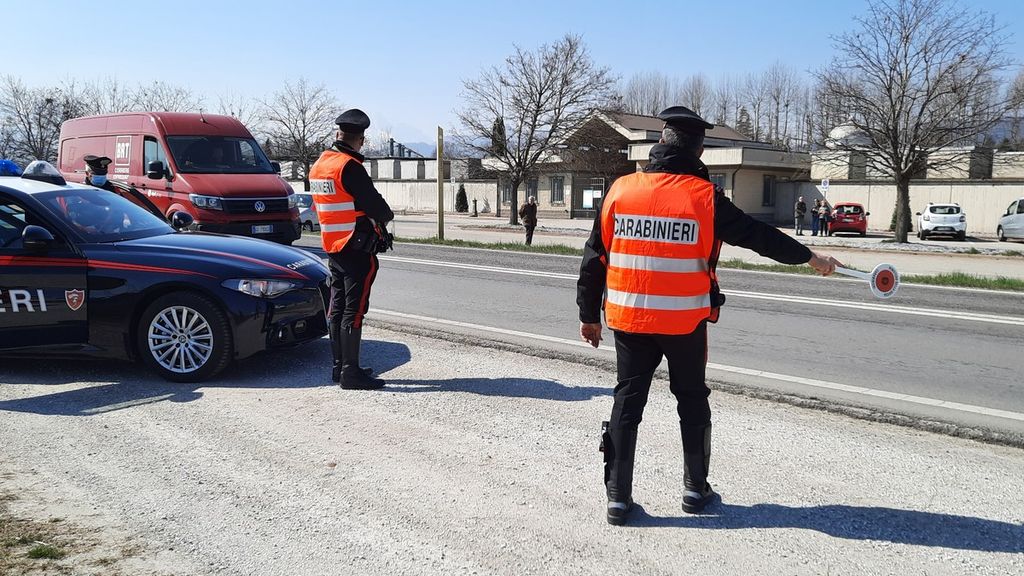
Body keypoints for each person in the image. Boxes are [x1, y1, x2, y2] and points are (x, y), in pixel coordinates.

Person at [576, 105, 841, 526]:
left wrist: (588, 314)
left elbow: (595, 256)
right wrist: (811, 257)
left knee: (627, 402)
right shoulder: (704, 198)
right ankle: (695, 490)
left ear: (659, 143)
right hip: (683, 323)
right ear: (699, 152)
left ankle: (617, 498)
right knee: (692, 400)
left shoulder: (620, 190)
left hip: (629, 321)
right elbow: (759, 236)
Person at [309, 108, 395, 390]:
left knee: (337, 308)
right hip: (356, 248)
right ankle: (351, 372)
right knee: (354, 310)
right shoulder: (349, 166)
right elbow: (379, 209)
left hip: (333, 247)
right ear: (361, 140)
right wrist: (384, 216)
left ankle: (339, 367)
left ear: (338, 133)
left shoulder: (320, 164)